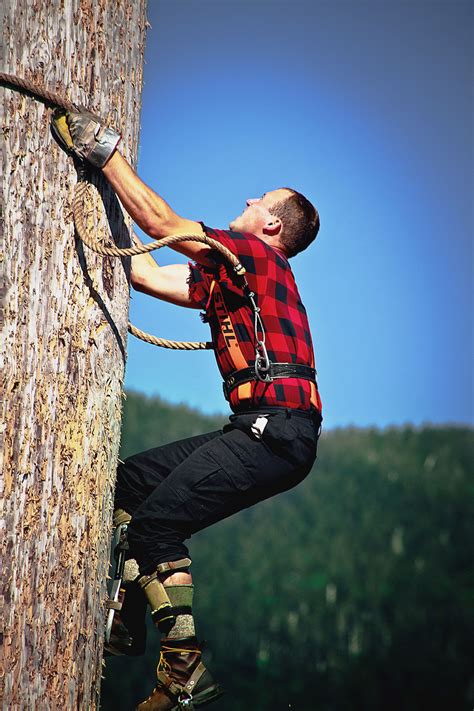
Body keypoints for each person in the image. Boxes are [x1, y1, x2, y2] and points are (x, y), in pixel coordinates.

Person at [51, 109, 323, 711]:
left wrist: (105, 152)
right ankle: (127, 615)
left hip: (274, 432)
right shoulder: (233, 277)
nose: (248, 199)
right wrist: (92, 207)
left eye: (261, 199)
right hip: (258, 431)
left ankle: (183, 668)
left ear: (271, 225)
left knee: (157, 527)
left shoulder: (253, 254)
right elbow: (147, 274)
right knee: (129, 484)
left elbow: (162, 223)